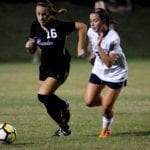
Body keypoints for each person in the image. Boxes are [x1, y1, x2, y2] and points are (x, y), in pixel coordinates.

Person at [25, 0, 87, 136]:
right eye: (38, 14)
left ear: (50, 14)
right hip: (44, 67)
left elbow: (82, 26)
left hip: (60, 66)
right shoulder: (34, 26)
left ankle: (65, 120)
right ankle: (64, 120)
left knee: (42, 96)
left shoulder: (58, 25)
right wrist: (30, 47)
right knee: (47, 99)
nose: (41, 17)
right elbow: (33, 48)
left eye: (44, 14)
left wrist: (80, 48)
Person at [84, 8, 128, 138]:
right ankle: (107, 102)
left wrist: (98, 46)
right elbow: (90, 44)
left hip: (116, 73)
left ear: (104, 21)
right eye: (91, 21)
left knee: (106, 109)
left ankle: (106, 129)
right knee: (89, 101)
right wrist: (92, 53)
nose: (92, 24)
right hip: (99, 70)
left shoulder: (113, 38)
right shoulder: (91, 32)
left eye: (95, 21)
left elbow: (109, 62)